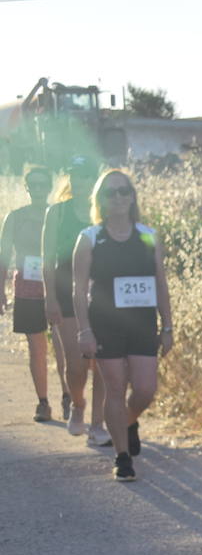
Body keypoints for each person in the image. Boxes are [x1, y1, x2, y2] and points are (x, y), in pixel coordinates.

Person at [71, 170, 173, 481]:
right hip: (105, 324)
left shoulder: (147, 235)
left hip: (142, 324)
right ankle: (122, 456)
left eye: (123, 191)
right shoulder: (89, 237)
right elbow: (77, 289)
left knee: (145, 389)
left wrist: (168, 326)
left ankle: (128, 422)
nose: (117, 197)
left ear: (132, 196)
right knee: (114, 388)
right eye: (110, 192)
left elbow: (160, 283)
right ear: (100, 200)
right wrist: (84, 330)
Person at [43, 155, 108, 443]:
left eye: (85, 176)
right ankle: (78, 406)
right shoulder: (57, 213)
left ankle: (97, 425)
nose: (80, 182)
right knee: (76, 364)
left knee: (104, 363)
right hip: (65, 294)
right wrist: (50, 299)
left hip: (102, 298)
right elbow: (47, 259)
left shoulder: (105, 214)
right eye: (75, 176)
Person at [0, 165, 62, 421]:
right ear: (27, 188)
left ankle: (70, 395)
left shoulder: (58, 215)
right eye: (32, 185)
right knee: (36, 346)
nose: (37, 190)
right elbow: (3, 256)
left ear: (49, 187)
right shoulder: (15, 217)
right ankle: (43, 402)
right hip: (27, 286)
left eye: (42, 185)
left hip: (57, 286)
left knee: (61, 344)